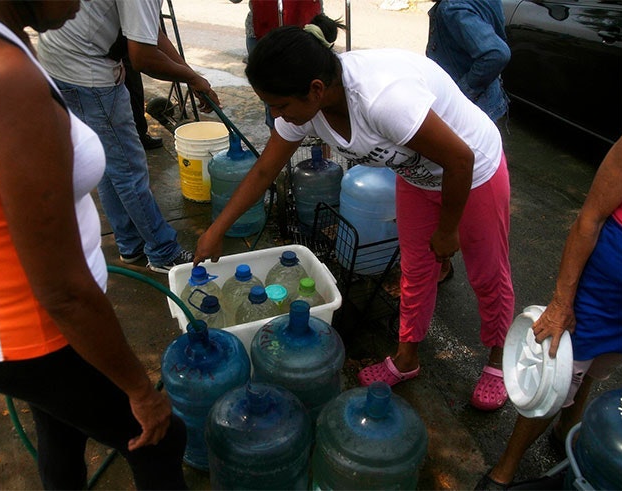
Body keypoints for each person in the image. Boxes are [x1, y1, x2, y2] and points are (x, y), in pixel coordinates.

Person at [0, 1, 186, 489]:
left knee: (61, 426)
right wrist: (140, 388)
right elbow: (64, 293)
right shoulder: (0, 81)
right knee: (159, 438)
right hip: (34, 335)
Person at [194, 14, 515, 411]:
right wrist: (216, 230)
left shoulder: (383, 100)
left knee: (487, 273)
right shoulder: (307, 106)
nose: (277, 115)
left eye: (280, 105)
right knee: (416, 270)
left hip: (473, 171)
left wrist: (448, 230)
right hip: (417, 176)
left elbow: (459, 159)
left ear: (315, 89)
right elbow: (264, 170)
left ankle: (499, 361)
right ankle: (407, 357)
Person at [476, 134, 622, 490]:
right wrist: (562, 301)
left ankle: (569, 437)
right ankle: (504, 470)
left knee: (598, 369)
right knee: (556, 376)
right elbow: (589, 219)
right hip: (604, 292)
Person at [37, 0, 222, 273]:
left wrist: (192, 76)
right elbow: (142, 56)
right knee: (128, 170)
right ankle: (163, 252)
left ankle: (130, 243)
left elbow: (150, 34)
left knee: (109, 164)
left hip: (60, 65)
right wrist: (191, 78)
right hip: (87, 74)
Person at [426, 0, 511, 284]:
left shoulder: (452, 9)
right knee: (471, 189)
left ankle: (445, 262)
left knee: (455, 186)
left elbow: (495, 53)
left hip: (467, 114)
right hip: (487, 106)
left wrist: (460, 93)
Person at [244, 0, 323, 128]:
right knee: (273, 95)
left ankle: (320, 144)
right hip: (262, 29)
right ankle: (280, 135)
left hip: (309, 27)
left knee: (313, 95)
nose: (276, 114)